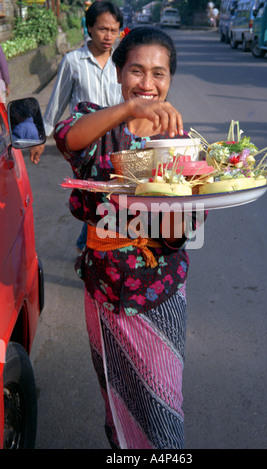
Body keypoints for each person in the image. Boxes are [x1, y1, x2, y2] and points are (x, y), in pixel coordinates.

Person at [54, 26, 197, 449]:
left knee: (163, 403)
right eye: (137, 71)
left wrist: (173, 200)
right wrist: (127, 109)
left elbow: (180, 232)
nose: (148, 84)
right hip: (103, 289)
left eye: (159, 74)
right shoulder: (95, 122)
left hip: (159, 291)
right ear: (119, 73)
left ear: (170, 80)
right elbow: (66, 138)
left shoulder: (180, 144)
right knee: (117, 399)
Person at [31, 1, 124, 253]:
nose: (108, 36)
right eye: (103, 29)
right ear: (90, 27)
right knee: (94, 195)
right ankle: (89, 246)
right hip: (85, 147)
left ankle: (94, 246)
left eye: (114, 30)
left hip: (118, 145)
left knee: (112, 197)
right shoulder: (73, 61)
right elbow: (57, 102)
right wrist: (42, 137)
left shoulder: (122, 61)